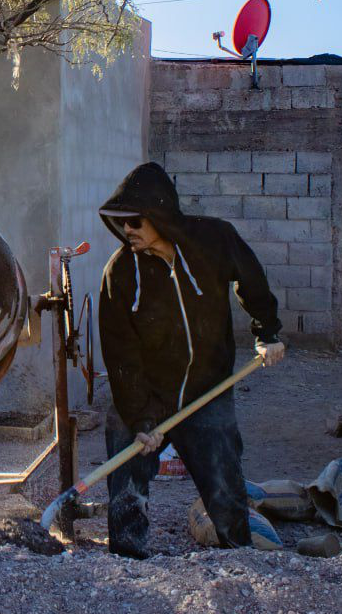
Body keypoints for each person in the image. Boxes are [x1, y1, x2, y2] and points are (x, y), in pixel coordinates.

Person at [97, 162, 285, 558]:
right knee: (127, 474)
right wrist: (141, 418)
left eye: (134, 220)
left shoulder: (212, 239)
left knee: (224, 480)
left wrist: (267, 332)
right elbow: (120, 352)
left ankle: (240, 556)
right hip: (147, 391)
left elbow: (251, 279)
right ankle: (128, 565)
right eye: (120, 223)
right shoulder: (120, 272)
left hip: (208, 387)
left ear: (159, 214)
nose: (126, 230)